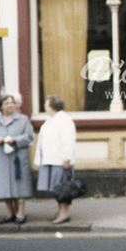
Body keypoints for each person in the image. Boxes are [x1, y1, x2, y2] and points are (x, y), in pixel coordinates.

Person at [0, 94, 35, 225]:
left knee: (19, 184)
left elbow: (29, 137)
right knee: (4, 185)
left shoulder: (23, 119)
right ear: (1, 106)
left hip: (17, 156)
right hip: (1, 157)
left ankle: (20, 213)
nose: (10, 105)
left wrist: (15, 140)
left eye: (11, 103)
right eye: (6, 103)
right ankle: (10, 213)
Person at [34, 95, 77, 224]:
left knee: (62, 188)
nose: (44, 107)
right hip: (50, 159)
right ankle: (61, 211)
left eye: (46, 105)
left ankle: (64, 213)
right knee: (57, 188)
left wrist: (66, 158)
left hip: (60, 161)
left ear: (52, 106)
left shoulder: (64, 120)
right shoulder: (51, 119)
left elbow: (68, 140)